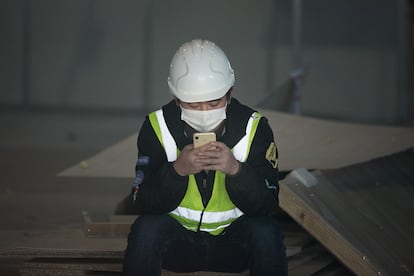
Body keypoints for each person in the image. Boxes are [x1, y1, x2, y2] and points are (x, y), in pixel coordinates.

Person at [123, 39, 287, 276]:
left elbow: (268, 203)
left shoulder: (254, 128)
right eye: (192, 104)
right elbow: (142, 201)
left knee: (266, 230)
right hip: (179, 244)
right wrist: (176, 171)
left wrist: (235, 170)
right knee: (146, 229)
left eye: (214, 102)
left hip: (233, 244)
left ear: (229, 94)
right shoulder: (156, 127)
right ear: (176, 97)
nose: (204, 112)